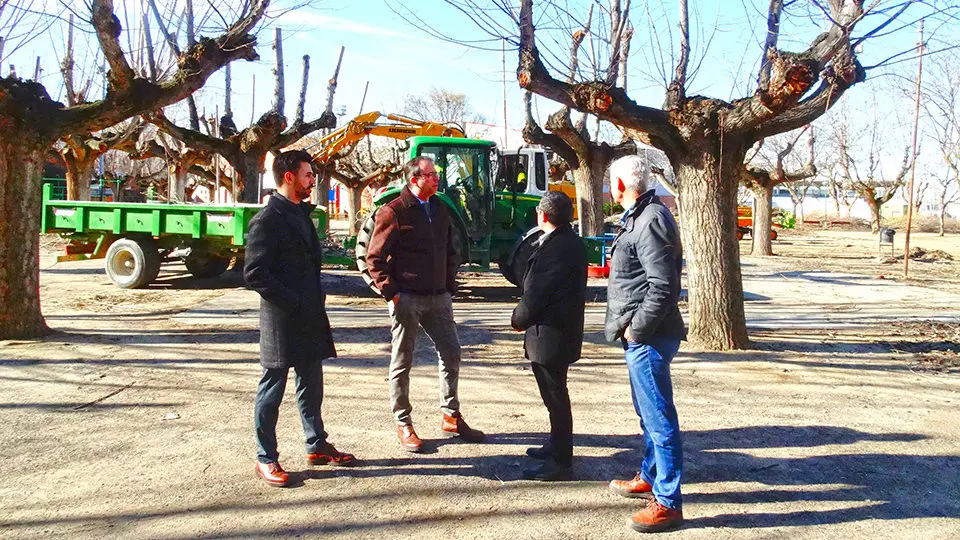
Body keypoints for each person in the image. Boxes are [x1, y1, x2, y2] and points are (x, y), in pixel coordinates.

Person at [244, 150, 356, 487]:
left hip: (309, 316)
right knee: (271, 391)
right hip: (282, 319)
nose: (313, 181)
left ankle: (316, 444)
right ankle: (266, 458)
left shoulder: (301, 214)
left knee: (312, 384)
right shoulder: (268, 219)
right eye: (308, 175)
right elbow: (254, 274)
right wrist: (292, 300)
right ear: (289, 176)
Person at [365, 156, 484, 453]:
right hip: (407, 298)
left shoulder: (440, 209)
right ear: (414, 179)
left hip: (438, 298)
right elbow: (373, 258)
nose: (436, 179)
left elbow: (450, 251)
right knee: (403, 361)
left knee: (452, 352)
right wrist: (392, 292)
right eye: (430, 175)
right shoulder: (393, 212)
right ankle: (403, 422)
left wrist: (449, 284)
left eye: (436, 174)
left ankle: (450, 414)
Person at [604, 155, 686, 533]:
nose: (610, 189)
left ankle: (668, 503)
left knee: (659, 419)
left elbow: (664, 285)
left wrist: (636, 330)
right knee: (647, 415)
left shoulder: (650, 218)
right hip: (641, 335)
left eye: (611, 182)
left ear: (621, 185)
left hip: (649, 336)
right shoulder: (641, 214)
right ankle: (650, 477)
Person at [510, 191, 586, 481]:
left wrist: (518, 319)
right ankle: (555, 444)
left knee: (555, 397)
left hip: (552, 335)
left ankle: (561, 461)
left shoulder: (555, 249)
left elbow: (536, 294)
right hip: (557, 332)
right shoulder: (568, 242)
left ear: (542, 215)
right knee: (554, 395)